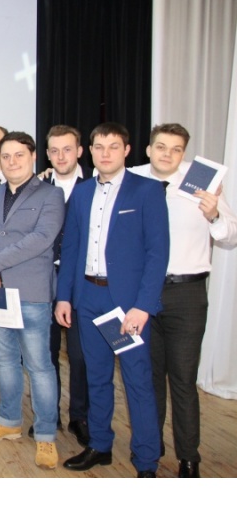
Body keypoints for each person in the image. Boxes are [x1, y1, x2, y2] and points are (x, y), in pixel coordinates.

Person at [56, 122, 169, 478]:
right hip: (88, 297)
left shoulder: (147, 191)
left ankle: (146, 461)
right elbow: (71, 248)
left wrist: (143, 306)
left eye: (113, 146)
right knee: (97, 377)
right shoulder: (82, 192)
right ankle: (100, 445)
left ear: (127, 150)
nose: (105, 153)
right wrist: (64, 297)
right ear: (90, 151)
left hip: (127, 304)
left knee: (137, 381)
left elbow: (157, 253)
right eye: (99, 147)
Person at [131, 123, 237, 478]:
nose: (167, 154)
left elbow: (230, 236)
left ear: (184, 153)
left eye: (176, 149)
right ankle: (151, 447)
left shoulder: (202, 182)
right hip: (142, 293)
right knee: (148, 377)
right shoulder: (132, 178)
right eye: (161, 147)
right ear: (149, 149)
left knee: (183, 379)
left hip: (187, 294)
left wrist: (214, 214)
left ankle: (189, 458)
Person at [0, 131, 64, 470]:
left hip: (32, 293)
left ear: (33, 156)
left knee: (39, 366)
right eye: (6, 156)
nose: (11, 161)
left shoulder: (51, 194)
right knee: (6, 362)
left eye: (19, 155)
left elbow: (42, 239)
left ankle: (46, 435)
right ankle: (8, 421)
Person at [41, 124, 93, 446]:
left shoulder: (95, 187)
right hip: (43, 281)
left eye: (67, 150)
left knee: (80, 355)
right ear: (48, 155)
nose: (61, 156)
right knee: (44, 354)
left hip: (80, 283)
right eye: (55, 151)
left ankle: (79, 417)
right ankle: (49, 415)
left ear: (80, 152)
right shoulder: (37, 187)